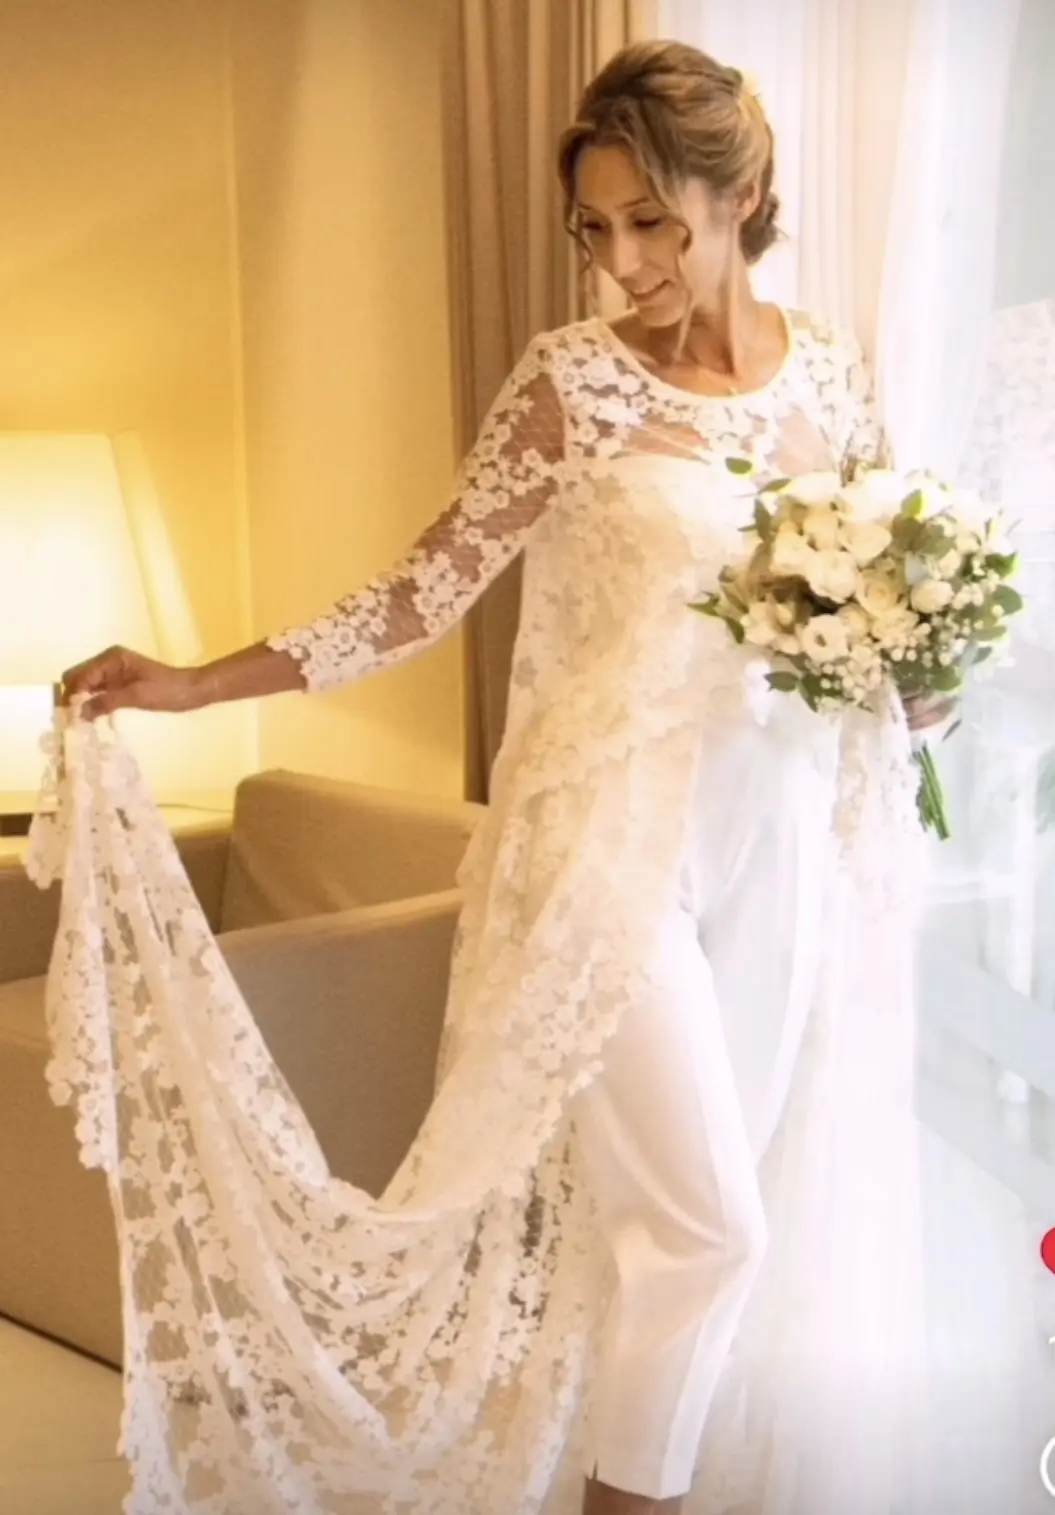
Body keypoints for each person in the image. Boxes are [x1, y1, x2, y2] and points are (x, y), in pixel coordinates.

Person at [57, 40, 950, 1515]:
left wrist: (923, 688)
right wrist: (198, 680)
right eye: (593, 228)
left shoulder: (835, 376)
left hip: (779, 839)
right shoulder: (571, 383)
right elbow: (423, 593)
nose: (619, 263)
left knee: (679, 1241)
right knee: (709, 1234)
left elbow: (880, 608)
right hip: (605, 847)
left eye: (651, 221)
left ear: (741, 198)